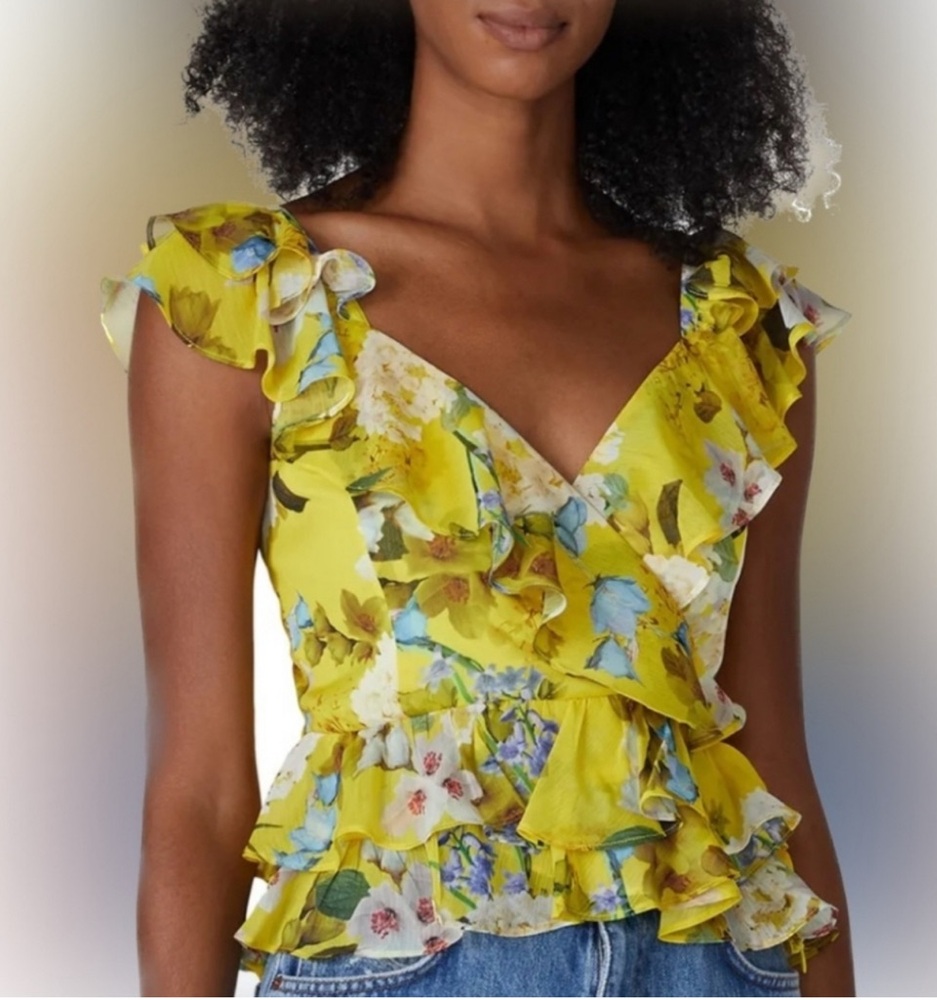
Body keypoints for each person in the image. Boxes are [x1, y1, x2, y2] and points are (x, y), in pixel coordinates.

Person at [100, 0, 855, 995]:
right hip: (398, 963)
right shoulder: (248, 293)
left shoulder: (739, 327)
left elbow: (773, 760)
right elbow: (197, 790)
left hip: (714, 963)